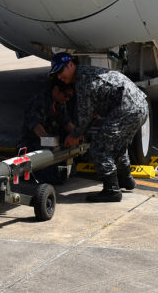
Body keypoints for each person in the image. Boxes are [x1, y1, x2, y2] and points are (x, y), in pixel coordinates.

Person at [54, 53, 149, 202]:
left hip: (126, 109)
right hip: (140, 106)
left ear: (71, 65)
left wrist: (74, 135)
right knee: (118, 145)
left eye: (60, 71)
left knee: (99, 149)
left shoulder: (83, 80)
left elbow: (85, 115)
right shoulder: (87, 73)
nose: (59, 77)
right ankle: (126, 180)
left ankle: (112, 191)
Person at [17, 81, 75, 184]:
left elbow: (66, 122)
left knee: (68, 168)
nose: (67, 99)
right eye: (66, 95)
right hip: (33, 143)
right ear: (56, 90)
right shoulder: (39, 101)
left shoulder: (59, 103)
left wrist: (76, 135)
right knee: (51, 176)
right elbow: (37, 128)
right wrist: (53, 143)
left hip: (50, 143)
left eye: (70, 96)